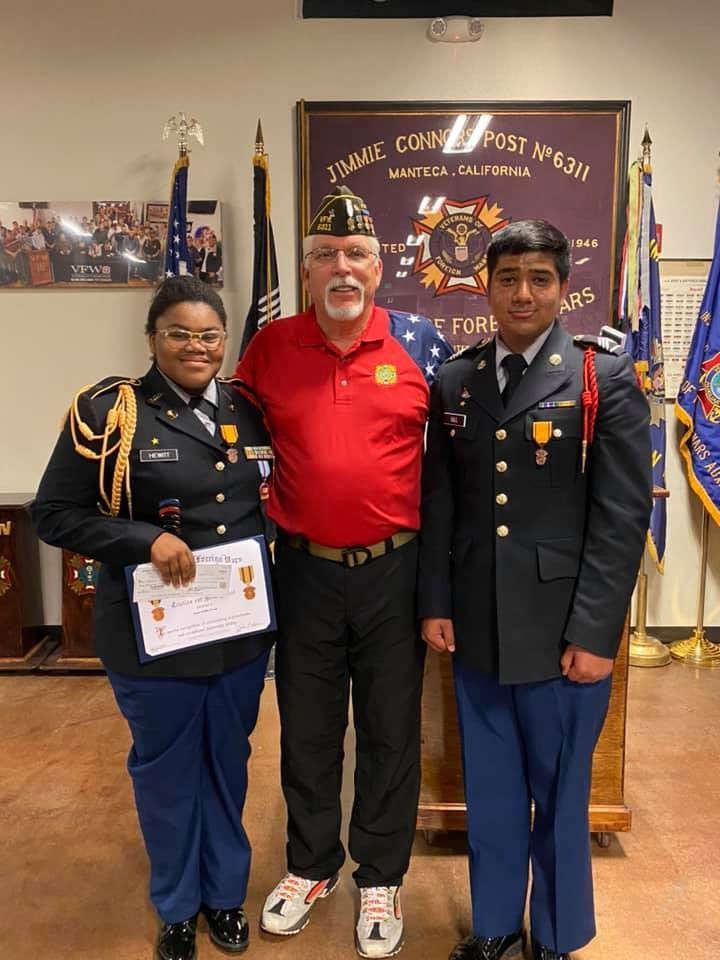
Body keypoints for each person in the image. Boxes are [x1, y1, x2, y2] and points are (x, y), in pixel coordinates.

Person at [418, 219, 652, 960]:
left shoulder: (600, 377)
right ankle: (493, 928)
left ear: (564, 288)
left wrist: (596, 633)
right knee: (489, 792)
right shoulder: (455, 379)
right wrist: (436, 602)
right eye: (508, 277)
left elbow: (621, 517)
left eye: (539, 278)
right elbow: (441, 504)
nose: (523, 292)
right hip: (479, 624)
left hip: (562, 634)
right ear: (486, 287)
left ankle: (553, 935)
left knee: (559, 795)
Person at [235, 186, 452, 958]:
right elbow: (232, 447)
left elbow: (451, 470)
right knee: (308, 726)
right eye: (325, 255)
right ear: (306, 271)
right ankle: (311, 864)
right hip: (305, 573)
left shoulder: (421, 345)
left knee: (390, 730)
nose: (342, 268)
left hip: (396, 572)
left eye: (357, 254)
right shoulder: (269, 349)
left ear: (379, 266)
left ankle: (381, 875)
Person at [33, 275, 276, 960]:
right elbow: (55, 514)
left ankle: (224, 896)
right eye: (179, 334)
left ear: (224, 342)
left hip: (237, 631)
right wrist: (145, 541)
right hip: (154, 635)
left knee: (227, 763)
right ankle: (175, 905)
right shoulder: (112, 412)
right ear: (152, 339)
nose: (196, 347)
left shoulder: (249, 408)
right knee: (167, 773)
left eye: (209, 335)